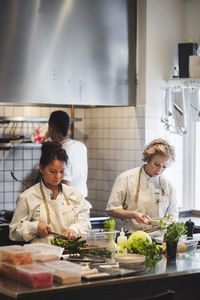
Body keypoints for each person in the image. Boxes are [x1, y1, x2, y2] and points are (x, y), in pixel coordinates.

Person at [9, 141, 91, 243]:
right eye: (53, 171)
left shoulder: (75, 195)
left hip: (70, 255)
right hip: (41, 255)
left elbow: (85, 224)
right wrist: (35, 227)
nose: (58, 177)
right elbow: (14, 232)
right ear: (41, 168)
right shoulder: (28, 197)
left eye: (62, 171)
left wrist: (74, 229)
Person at [106, 138, 178, 232]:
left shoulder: (168, 184)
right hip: (132, 236)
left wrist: (168, 226)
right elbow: (112, 209)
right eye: (156, 164)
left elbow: (173, 216)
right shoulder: (126, 178)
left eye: (164, 166)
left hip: (159, 237)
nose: (159, 170)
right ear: (148, 159)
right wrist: (133, 215)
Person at [48, 110, 91, 210]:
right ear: (68, 127)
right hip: (82, 205)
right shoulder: (81, 146)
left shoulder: (61, 151)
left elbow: (65, 184)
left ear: (50, 129)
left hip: (68, 207)